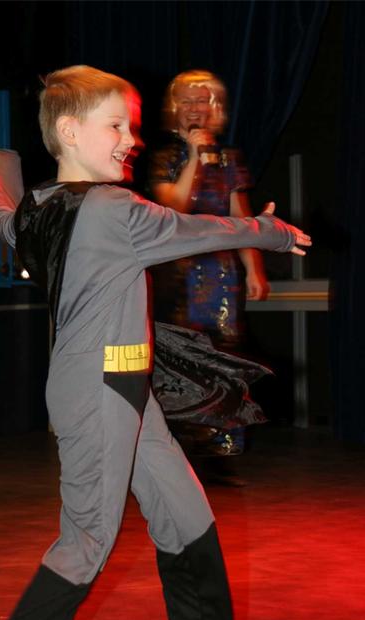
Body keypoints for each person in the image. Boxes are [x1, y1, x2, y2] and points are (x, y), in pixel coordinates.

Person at [0, 64, 310, 620]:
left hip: (122, 386)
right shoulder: (112, 209)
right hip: (100, 389)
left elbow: (0, 215)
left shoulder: (40, 207)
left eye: (129, 126)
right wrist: (270, 231)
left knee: (183, 511)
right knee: (86, 540)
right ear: (70, 132)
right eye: (116, 126)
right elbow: (199, 230)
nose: (131, 140)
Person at [149, 69, 269, 462]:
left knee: (224, 352)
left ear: (214, 107)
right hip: (177, 274)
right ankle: (184, 441)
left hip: (220, 275)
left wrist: (254, 268)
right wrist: (194, 159)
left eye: (201, 101)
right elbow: (176, 207)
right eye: (186, 101)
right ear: (174, 108)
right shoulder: (164, 157)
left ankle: (225, 442)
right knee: (183, 354)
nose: (194, 108)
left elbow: (241, 218)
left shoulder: (229, 159)